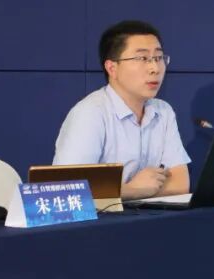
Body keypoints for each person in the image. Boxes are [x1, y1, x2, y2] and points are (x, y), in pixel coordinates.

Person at [54, 20, 191, 200]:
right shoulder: (90, 113)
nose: (155, 68)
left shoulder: (163, 111)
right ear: (112, 68)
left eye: (158, 58)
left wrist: (121, 191)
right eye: (142, 58)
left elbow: (180, 184)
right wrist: (132, 190)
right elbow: (65, 191)